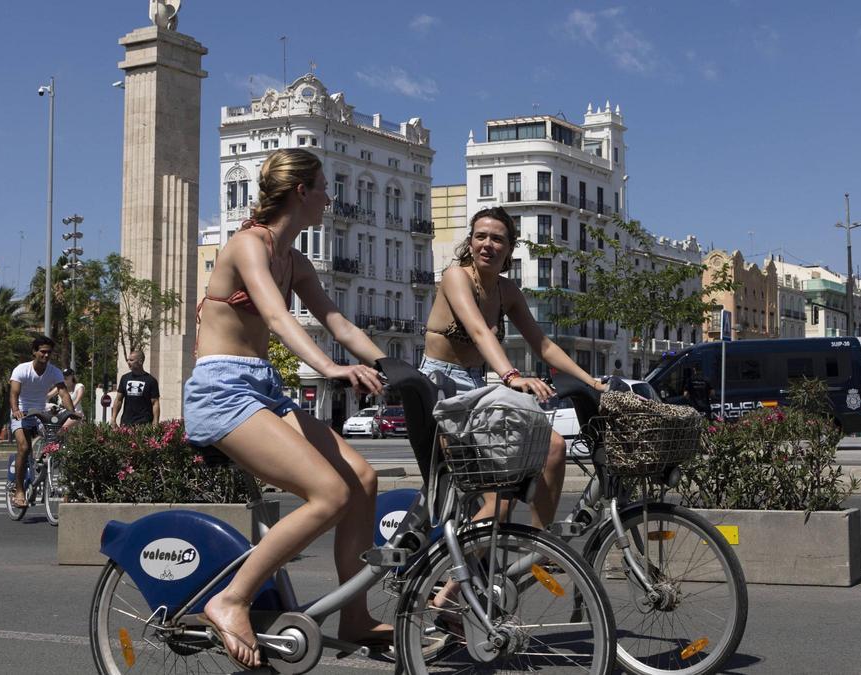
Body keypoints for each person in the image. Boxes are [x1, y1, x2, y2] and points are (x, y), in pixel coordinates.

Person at [184, 148, 388, 668]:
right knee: (328, 494)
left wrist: (393, 367)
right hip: (222, 390)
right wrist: (330, 368)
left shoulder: (293, 259)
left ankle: (356, 616)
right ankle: (230, 598)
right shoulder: (248, 245)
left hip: (262, 388)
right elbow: (276, 317)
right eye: (324, 186)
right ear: (302, 192)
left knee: (362, 480)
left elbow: (337, 321)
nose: (330, 196)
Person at [421, 205, 607, 530]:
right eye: (480, 237)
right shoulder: (456, 277)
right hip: (441, 387)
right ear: (470, 242)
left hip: (476, 386)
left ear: (509, 248)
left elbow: (544, 345)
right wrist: (512, 376)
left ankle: (539, 547)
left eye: (497, 239)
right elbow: (479, 331)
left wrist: (591, 381)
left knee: (553, 446)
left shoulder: (508, 292)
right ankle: (455, 577)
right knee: (496, 499)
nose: (487, 245)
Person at [9, 336, 78, 508]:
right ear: (34, 352)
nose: (46, 355)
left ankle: (41, 468)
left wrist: (72, 413)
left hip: (40, 412)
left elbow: (63, 393)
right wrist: (16, 410)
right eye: (42, 352)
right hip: (22, 413)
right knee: (24, 448)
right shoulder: (21, 369)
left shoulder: (54, 371)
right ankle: (18, 490)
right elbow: (14, 394)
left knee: (56, 444)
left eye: (49, 352)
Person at [112, 351, 159, 426]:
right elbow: (118, 400)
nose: (128, 362)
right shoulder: (124, 378)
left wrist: (155, 421)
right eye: (128, 360)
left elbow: (155, 403)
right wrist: (113, 419)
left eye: (131, 360)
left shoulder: (151, 380)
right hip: (126, 424)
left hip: (144, 424)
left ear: (140, 362)